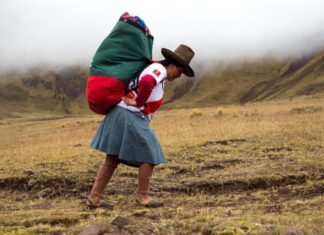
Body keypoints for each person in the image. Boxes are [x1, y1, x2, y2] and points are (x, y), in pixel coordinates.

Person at [86, 44, 195, 208]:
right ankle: (142, 197)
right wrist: (139, 101)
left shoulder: (156, 70)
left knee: (112, 158)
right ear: (172, 65)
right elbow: (147, 81)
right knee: (150, 153)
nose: (179, 76)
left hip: (120, 113)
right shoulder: (159, 69)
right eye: (180, 72)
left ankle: (94, 198)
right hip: (130, 114)